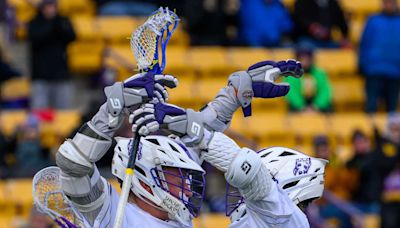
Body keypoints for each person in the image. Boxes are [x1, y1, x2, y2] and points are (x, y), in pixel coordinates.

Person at [54, 59, 304, 227]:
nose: (186, 186)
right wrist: (111, 111)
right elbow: (73, 165)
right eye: (176, 176)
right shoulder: (109, 213)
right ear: (143, 177)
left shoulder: (177, 217)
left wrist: (234, 95)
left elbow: (199, 134)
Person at [28, 0, 76, 110]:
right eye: (47, 6)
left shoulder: (62, 21)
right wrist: (51, 23)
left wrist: (56, 21)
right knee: (39, 112)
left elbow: (72, 36)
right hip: (40, 75)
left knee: (64, 113)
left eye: (52, 6)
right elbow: (36, 39)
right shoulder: (35, 22)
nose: (50, 9)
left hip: (61, 74)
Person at [359, 0, 400, 113]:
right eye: (386, 2)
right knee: (371, 105)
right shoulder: (373, 20)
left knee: (392, 108)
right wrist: (362, 65)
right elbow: (364, 43)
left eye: (391, 3)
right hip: (374, 69)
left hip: (395, 70)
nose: (388, 5)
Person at [284, 48, 332, 113]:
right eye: (301, 58)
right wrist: (301, 107)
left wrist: (316, 106)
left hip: (318, 109)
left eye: (307, 58)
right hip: (297, 109)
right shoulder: (291, 74)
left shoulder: (320, 73)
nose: (304, 61)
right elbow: (290, 92)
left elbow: (325, 91)